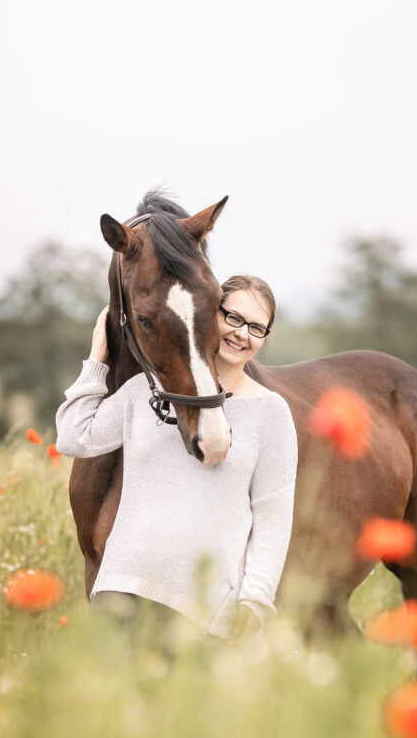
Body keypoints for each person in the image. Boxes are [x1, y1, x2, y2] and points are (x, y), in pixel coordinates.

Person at [55, 275, 298, 644]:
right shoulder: (148, 389)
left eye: (256, 327)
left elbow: (273, 519)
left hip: (203, 614)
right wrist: (97, 359)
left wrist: (256, 603)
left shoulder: (271, 413)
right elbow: (75, 438)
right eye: (232, 318)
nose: (241, 334)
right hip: (120, 593)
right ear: (208, 314)